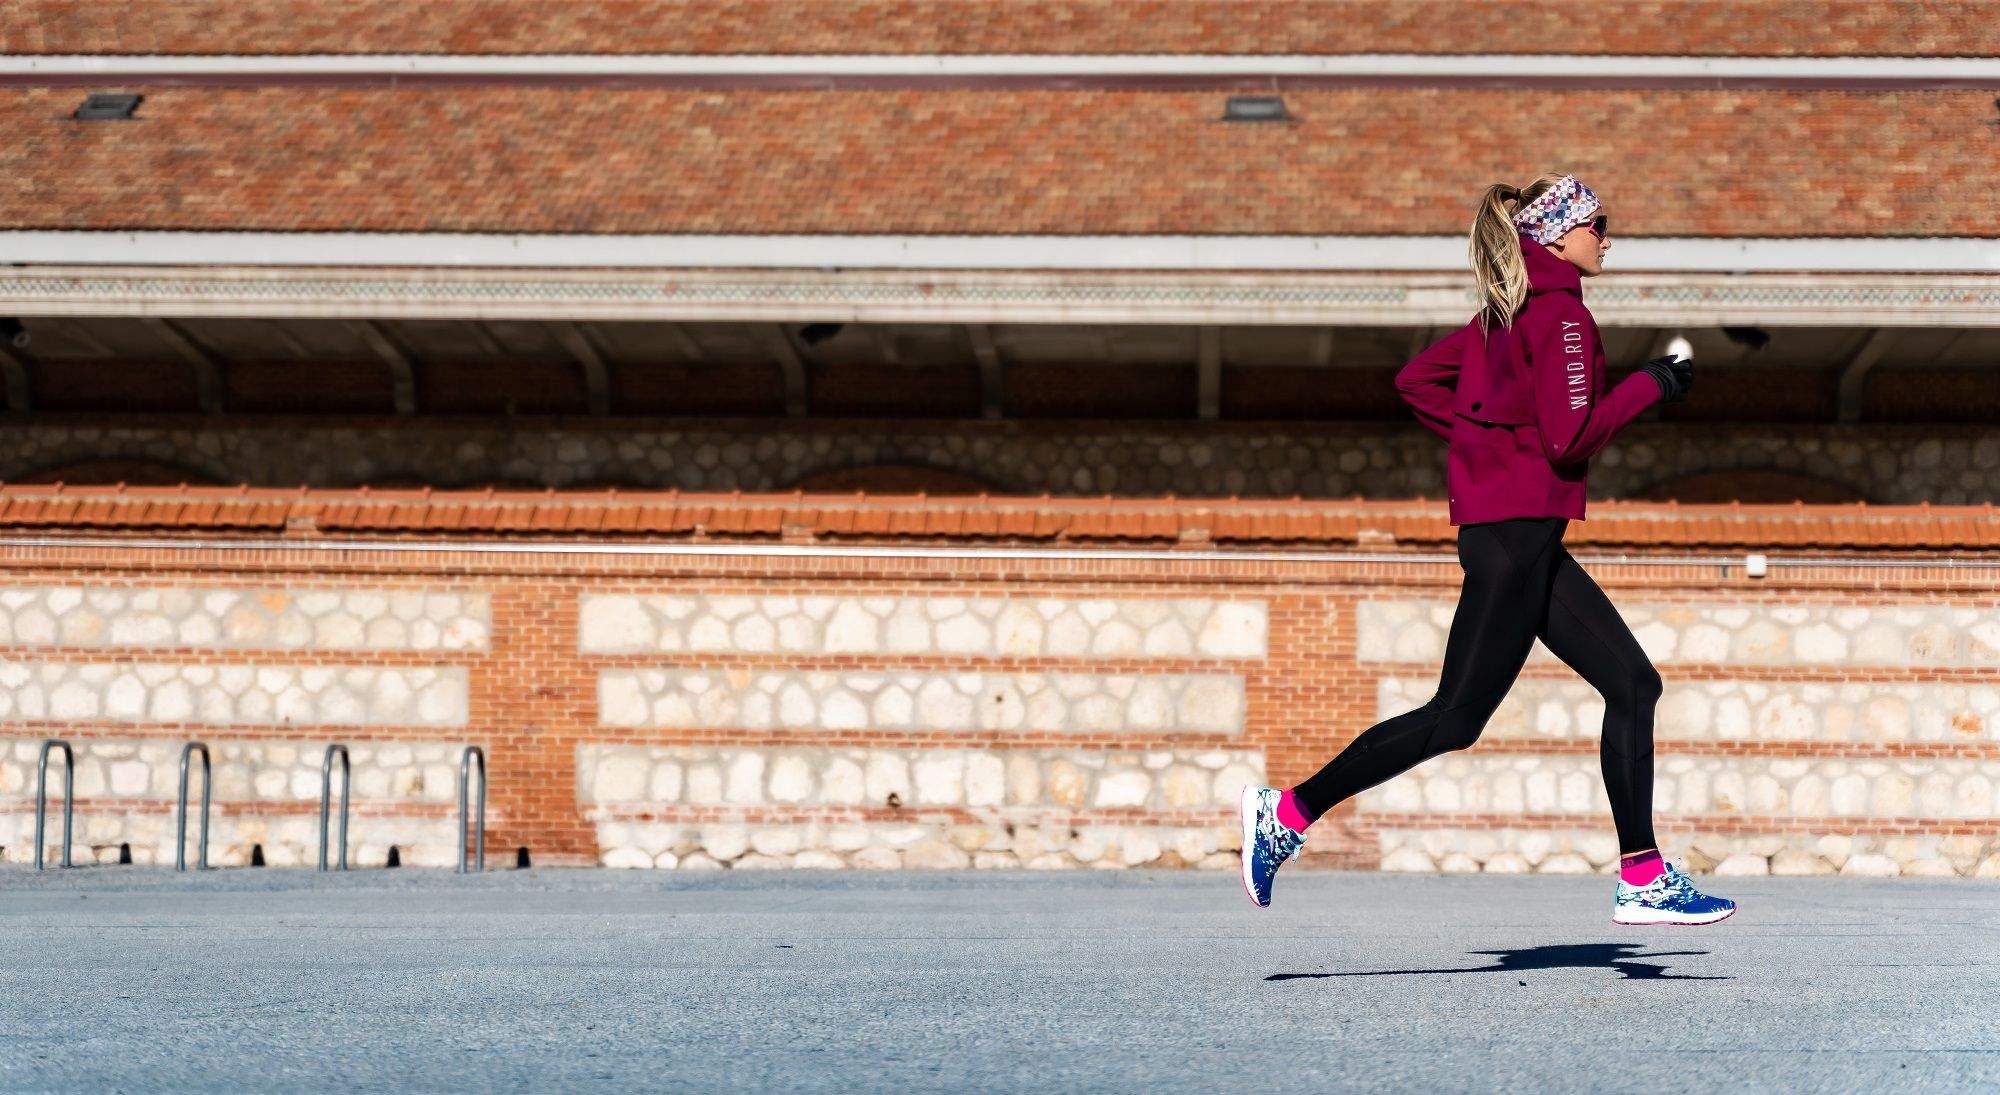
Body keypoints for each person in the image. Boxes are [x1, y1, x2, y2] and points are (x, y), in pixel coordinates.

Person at [1239, 172, 1733, 926]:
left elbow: (1417, 382)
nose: (1608, 237)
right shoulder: (1562, 314)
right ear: (1561, 233)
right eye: (1599, 224)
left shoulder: (1505, 315)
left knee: (1633, 685)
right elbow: (1568, 437)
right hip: (1515, 542)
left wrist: (1494, 453)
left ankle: (1642, 872)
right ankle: (1289, 813)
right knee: (1452, 718)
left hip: (1521, 540)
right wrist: (1652, 385)